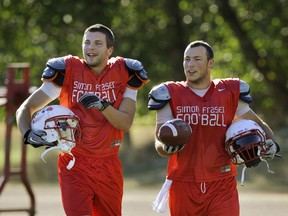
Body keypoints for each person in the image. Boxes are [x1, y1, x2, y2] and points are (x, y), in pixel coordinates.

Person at [16, 23, 149, 216]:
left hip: (108, 164)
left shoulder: (125, 72)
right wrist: (28, 133)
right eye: (86, 42)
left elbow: (125, 122)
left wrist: (103, 105)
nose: (90, 48)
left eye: (97, 43)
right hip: (74, 163)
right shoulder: (68, 70)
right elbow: (26, 108)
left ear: (109, 50)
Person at [147, 40, 280, 216]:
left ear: (211, 63)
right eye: (187, 59)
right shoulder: (168, 93)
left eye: (197, 59)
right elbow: (159, 140)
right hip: (183, 183)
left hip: (222, 183)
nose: (190, 65)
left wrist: (272, 143)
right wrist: (165, 148)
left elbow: (259, 125)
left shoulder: (229, 91)